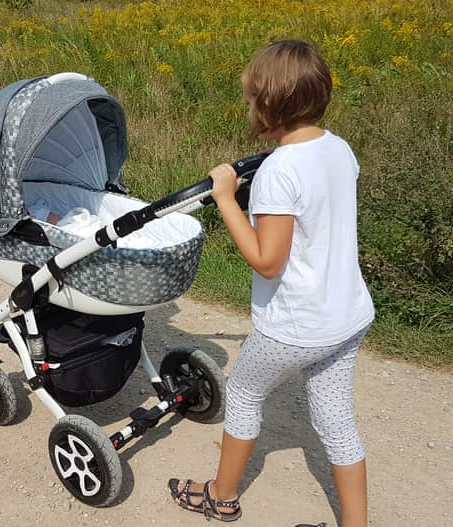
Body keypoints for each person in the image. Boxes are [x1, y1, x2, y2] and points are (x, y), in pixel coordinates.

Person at [168, 39, 375, 526]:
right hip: (347, 315)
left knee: (242, 394)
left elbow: (267, 261)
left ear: (270, 103)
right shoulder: (337, 147)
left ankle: (220, 496)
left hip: (297, 325)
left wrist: (225, 199)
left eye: (251, 98)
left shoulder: (279, 173)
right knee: (335, 419)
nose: (248, 106)